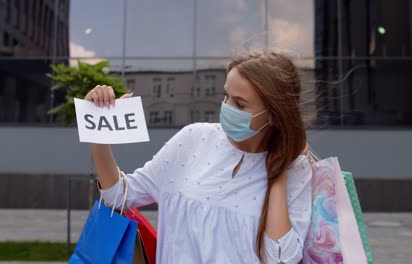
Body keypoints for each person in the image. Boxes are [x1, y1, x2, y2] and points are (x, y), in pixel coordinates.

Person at [84, 50, 313, 264]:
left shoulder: (297, 169)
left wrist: (278, 172)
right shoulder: (194, 138)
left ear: (275, 114)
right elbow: (120, 197)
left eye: (240, 104)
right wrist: (97, 130)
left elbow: (282, 259)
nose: (227, 107)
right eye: (226, 96)